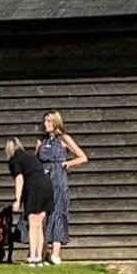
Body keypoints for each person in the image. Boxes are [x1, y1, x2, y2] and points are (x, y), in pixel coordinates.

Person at [35, 111, 87, 265]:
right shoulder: (41, 141)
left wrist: (67, 164)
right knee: (41, 215)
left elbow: (82, 157)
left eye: (49, 121)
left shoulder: (64, 139)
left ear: (56, 122)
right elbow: (35, 161)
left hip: (58, 179)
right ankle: (41, 251)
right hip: (43, 179)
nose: (46, 124)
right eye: (45, 121)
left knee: (58, 212)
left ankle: (55, 253)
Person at [5, 137, 54, 267]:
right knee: (39, 224)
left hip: (35, 187)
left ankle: (32, 257)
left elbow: (19, 179)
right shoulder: (30, 157)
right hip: (47, 185)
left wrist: (17, 199)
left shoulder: (14, 159)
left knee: (33, 223)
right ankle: (39, 257)